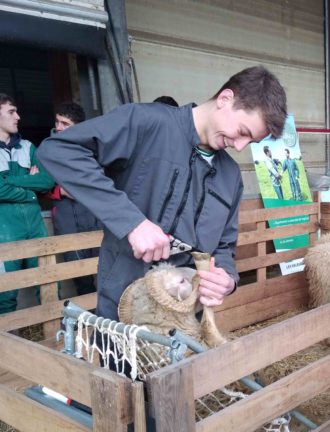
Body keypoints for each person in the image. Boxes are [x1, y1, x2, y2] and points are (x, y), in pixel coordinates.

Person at [37, 66, 287, 322]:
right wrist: (132, 222)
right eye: (243, 132)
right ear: (225, 99)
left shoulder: (230, 175)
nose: (240, 146)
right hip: (126, 303)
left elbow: (224, 246)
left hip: (185, 312)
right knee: (121, 362)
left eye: (251, 142)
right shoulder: (146, 123)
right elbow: (58, 151)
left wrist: (226, 279)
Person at [0, 94, 54, 314]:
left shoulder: (28, 147)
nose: (18, 117)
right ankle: (8, 345)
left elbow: (47, 181)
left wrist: (9, 181)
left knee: (50, 284)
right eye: (11, 112)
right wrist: (31, 193)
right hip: (4, 230)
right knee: (5, 293)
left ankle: (57, 341)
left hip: (35, 226)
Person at [48, 102, 102, 296]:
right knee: (80, 275)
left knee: (103, 271)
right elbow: (41, 184)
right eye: (57, 122)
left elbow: (103, 180)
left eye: (65, 123)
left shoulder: (93, 150)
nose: (59, 127)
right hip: (67, 219)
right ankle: (86, 323)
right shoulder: (48, 151)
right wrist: (60, 191)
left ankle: (108, 322)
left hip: (95, 218)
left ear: (78, 127)